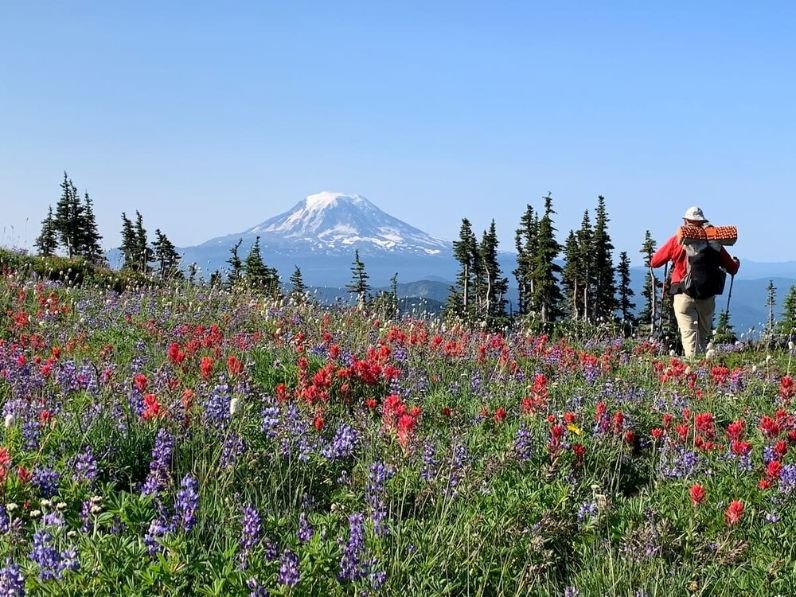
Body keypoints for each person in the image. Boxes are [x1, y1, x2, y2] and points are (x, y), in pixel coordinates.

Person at [650, 206, 740, 358]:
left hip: (682, 293)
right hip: (707, 296)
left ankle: (695, 371)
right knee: (702, 338)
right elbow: (732, 268)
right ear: (702, 222)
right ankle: (705, 368)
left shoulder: (677, 241)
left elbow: (655, 262)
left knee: (689, 336)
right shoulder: (714, 242)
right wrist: (736, 263)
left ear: (686, 221)